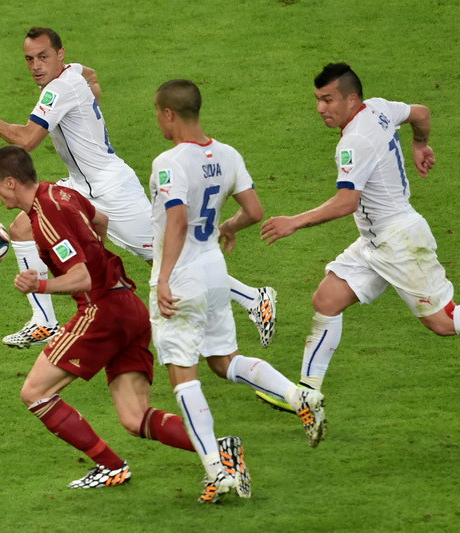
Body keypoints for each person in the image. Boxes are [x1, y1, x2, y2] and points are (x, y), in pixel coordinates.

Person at [255, 62, 460, 411]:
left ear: (350, 99)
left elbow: (347, 202)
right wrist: (421, 143)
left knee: (445, 321)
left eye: (328, 100)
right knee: (326, 299)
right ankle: (307, 394)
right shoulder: (377, 107)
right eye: (317, 100)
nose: (320, 109)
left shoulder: (354, 142)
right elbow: (421, 113)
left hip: (400, 241)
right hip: (376, 241)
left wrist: (293, 222)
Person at [0, 27, 277, 350]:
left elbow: (28, 140)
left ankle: (255, 298)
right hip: (81, 184)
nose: (35, 66)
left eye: (43, 57)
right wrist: (92, 96)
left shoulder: (57, 90)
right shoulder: (72, 72)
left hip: (113, 190)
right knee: (22, 227)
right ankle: (44, 321)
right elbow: (92, 75)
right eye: (29, 59)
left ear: (60, 54)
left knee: (165, 262)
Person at [0, 144, 250, 490]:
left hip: (101, 312)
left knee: (35, 392)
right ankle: (221, 453)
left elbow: (81, 278)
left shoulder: (46, 215)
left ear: (9, 182)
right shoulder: (60, 192)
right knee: (135, 416)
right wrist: (98, 255)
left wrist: (40, 284)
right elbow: (101, 220)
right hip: (130, 306)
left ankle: (110, 466)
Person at [149, 79, 327, 504]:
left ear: (169, 114)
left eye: (157, 112)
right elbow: (255, 211)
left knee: (181, 373)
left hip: (185, 275)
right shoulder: (227, 154)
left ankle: (217, 470)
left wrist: (163, 279)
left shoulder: (168, 162)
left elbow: (176, 223)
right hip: (214, 271)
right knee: (222, 360)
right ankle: (296, 394)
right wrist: (228, 226)